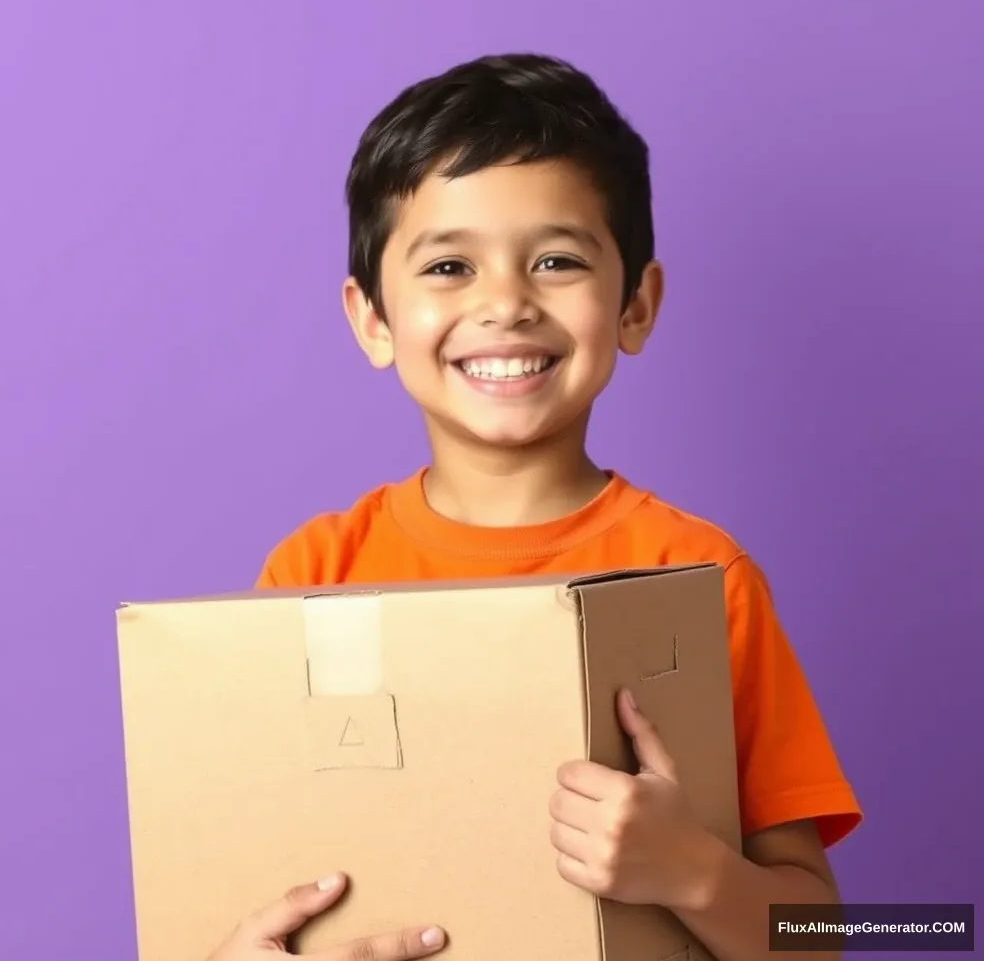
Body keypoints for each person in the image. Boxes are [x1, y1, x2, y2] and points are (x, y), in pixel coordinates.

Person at [210, 53, 862, 961]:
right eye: (448, 266)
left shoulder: (700, 576)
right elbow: (246, 883)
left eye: (555, 260)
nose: (506, 303)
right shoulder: (312, 577)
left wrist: (689, 870)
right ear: (372, 320)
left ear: (635, 304)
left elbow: (829, 937)